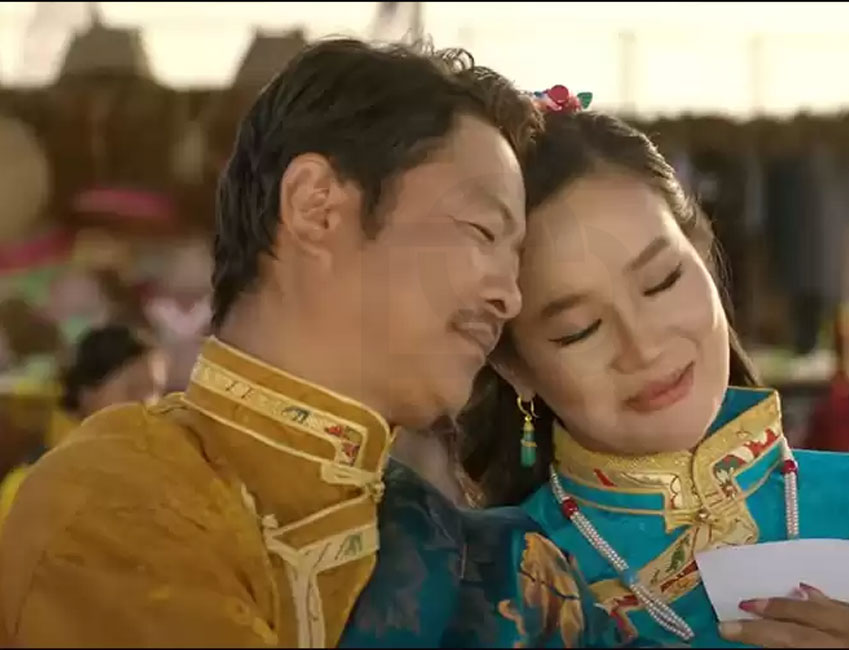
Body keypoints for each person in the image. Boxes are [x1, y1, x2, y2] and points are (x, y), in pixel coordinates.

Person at [0, 43, 615, 647]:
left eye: (517, 261)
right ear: (315, 206)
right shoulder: (117, 501)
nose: (510, 296)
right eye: (483, 230)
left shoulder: (500, 564)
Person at [461, 87, 849, 648]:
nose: (643, 347)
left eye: (662, 281)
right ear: (513, 365)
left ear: (702, 250)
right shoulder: (502, 582)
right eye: (579, 329)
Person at [0, 324, 165, 529]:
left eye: (155, 391)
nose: (147, 404)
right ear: (86, 391)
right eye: (132, 390)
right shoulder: (31, 484)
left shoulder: (158, 474)